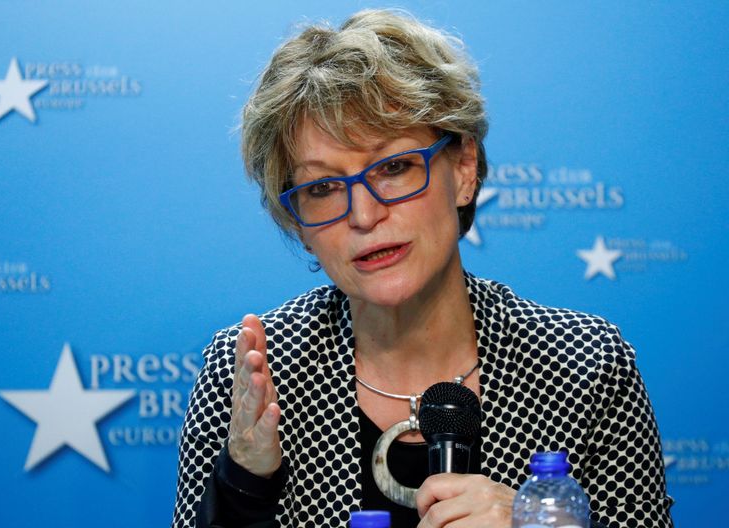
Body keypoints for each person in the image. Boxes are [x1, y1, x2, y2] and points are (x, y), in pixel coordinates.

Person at [172, 9, 672, 528]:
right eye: (323, 188)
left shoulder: (586, 368)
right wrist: (244, 483)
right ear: (298, 222)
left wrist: (538, 523)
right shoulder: (259, 377)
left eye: (393, 167)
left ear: (463, 169)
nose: (364, 215)